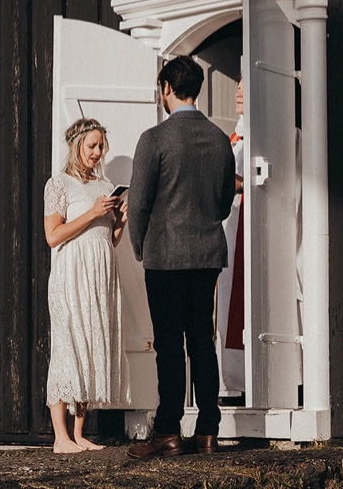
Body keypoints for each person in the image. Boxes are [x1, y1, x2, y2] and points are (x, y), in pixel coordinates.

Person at [126, 56, 236, 459]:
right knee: (202, 343)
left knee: (170, 345)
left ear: (167, 88)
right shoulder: (220, 139)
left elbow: (137, 205)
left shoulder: (154, 139)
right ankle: (208, 430)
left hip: (166, 256)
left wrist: (140, 247)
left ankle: (168, 431)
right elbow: (224, 204)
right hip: (206, 254)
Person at [43, 117, 131, 453]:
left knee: (92, 347)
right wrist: (93, 213)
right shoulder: (59, 184)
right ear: (77, 144)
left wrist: (118, 222)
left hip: (99, 274)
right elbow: (53, 236)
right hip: (71, 275)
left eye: (101, 146)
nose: (97, 152)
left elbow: (108, 241)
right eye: (92, 145)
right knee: (68, 348)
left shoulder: (103, 185)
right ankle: (60, 437)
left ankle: (80, 433)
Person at [216, 79, 246, 400]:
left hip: (249, 225)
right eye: (237, 87)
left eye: (245, 86)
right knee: (224, 302)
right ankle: (231, 383)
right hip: (227, 224)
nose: (238, 92)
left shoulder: (278, 135)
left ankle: (245, 380)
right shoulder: (232, 138)